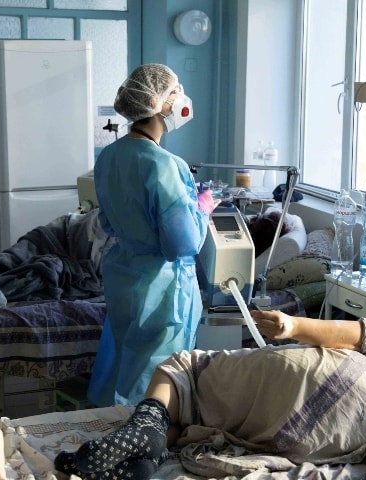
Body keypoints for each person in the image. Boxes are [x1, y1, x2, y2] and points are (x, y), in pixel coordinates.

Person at [56, 269, 366, 479]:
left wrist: (296, 325)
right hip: (352, 432)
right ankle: (148, 454)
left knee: (186, 368)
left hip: (336, 375)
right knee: (208, 414)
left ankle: (144, 428)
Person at [87, 64, 218, 407]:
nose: (181, 96)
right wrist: (202, 209)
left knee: (126, 369)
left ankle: (111, 433)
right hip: (162, 292)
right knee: (156, 384)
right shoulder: (164, 164)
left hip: (125, 279)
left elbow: (109, 223)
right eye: (175, 90)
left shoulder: (110, 156)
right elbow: (183, 244)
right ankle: (139, 444)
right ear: (159, 103)